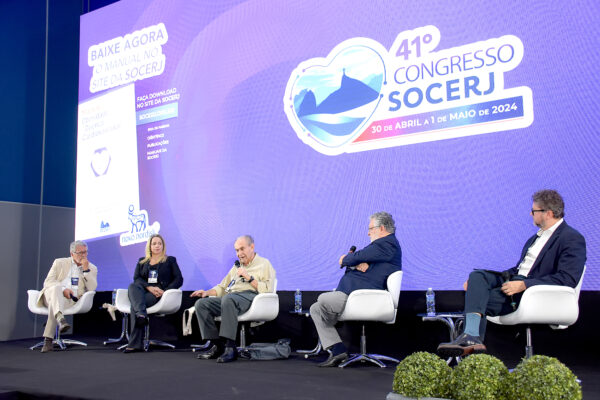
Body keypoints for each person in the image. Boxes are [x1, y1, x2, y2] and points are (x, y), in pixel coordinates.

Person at [437, 189, 587, 357]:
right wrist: (481, 284)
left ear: (548, 213)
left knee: (477, 300)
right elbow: (518, 270)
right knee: (477, 276)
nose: (530, 214)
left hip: (532, 292)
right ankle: (472, 338)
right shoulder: (535, 238)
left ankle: (471, 341)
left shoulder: (571, 238)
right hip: (517, 281)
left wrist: (524, 285)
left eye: (534, 211)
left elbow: (568, 278)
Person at [310, 211, 402, 367]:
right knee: (316, 309)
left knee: (322, 300)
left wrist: (346, 259)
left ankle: (333, 318)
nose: (368, 233)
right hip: (354, 294)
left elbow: (356, 256)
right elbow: (360, 259)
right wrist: (358, 263)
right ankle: (338, 349)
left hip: (363, 297)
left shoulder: (387, 243)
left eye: (371, 229)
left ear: (381, 228)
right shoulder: (383, 248)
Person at [191, 235, 276, 363]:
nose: (239, 253)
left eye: (242, 249)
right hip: (231, 298)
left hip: (250, 297)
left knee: (228, 299)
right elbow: (223, 287)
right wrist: (207, 292)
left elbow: (268, 288)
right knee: (201, 304)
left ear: (252, 247)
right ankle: (218, 345)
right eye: (237, 250)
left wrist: (249, 277)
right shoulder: (236, 267)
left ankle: (230, 347)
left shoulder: (264, 264)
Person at [123, 234, 183, 353]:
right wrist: (149, 287)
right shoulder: (142, 261)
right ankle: (141, 315)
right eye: (154, 243)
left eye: (159, 243)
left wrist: (165, 291)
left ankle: (135, 342)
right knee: (132, 286)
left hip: (159, 294)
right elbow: (137, 278)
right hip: (144, 291)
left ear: (163, 246)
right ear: (149, 246)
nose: (157, 246)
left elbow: (178, 279)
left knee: (135, 307)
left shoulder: (170, 260)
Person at [36, 240, 98, 353]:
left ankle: (53, 331)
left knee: (55, 304)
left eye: (85, 252)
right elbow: (48, 282)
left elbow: (92, 288)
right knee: (56, 289)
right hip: (49, 296)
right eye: (80, 253)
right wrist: (63, 289)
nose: (83, 255)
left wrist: (86, 270)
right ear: (72, 253)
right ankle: (55, 327)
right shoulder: (59, 262)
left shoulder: (92, 268)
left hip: (70, 300)